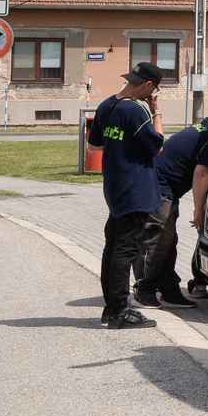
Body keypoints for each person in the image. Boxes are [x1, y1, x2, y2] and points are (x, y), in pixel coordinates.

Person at [138, 112, 208, 306]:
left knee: (168, 241)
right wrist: (198, 210)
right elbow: (202, 173)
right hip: (159, 186)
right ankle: (145, 290)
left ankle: (169, 290)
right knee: (160, 241)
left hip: (161, 184)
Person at [88, 61, 166, 328]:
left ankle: (111, 307)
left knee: (113, 247)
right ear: (148, 85)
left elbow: (95, 144)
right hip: (136, 188)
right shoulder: (135, 111)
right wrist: (156, 114)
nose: (153, 94)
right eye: (154, 90)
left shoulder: (107, 105)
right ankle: (120, 310)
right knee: (125, 249)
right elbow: (157, 146)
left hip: (115, 185)